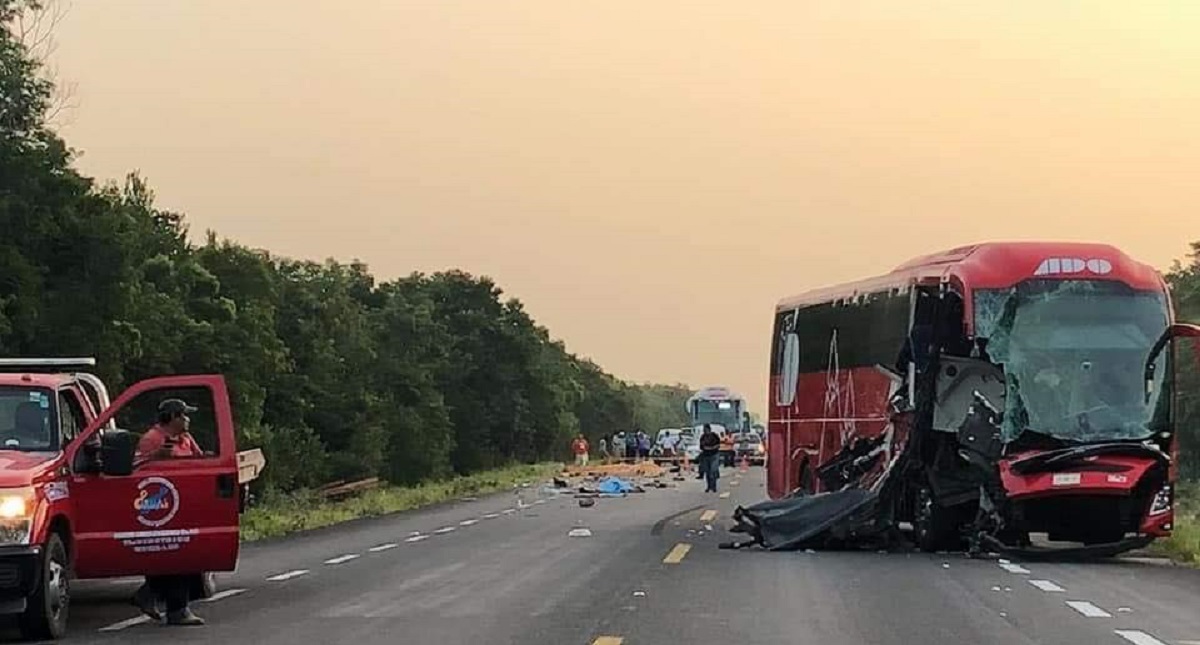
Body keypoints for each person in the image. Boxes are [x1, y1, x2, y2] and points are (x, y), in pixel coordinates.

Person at [131, 398, 207, 626]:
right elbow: (136, 469)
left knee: (187, 553)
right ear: (173, 417)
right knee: (177, 555)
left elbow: (200, 460)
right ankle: (176, 608)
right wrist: (156, 457)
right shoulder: (152, 439)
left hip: (185, 501)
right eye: (184, 415)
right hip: (161, 504)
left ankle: (153, 594)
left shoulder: (186, 438)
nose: (188, 420)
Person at [699, 423, 721, 493]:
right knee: (707, 472)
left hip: (714, 455)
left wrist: (712, 447)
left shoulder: (714, 436)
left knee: (713, 471)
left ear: (709, 429)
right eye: (704, 430)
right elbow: (701, 447)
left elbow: (718, 444)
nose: (705, 431)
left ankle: (714, 486)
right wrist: (706, 448)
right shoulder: (703, 437)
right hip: (706, 456)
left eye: (706, 429)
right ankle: (708, 486)